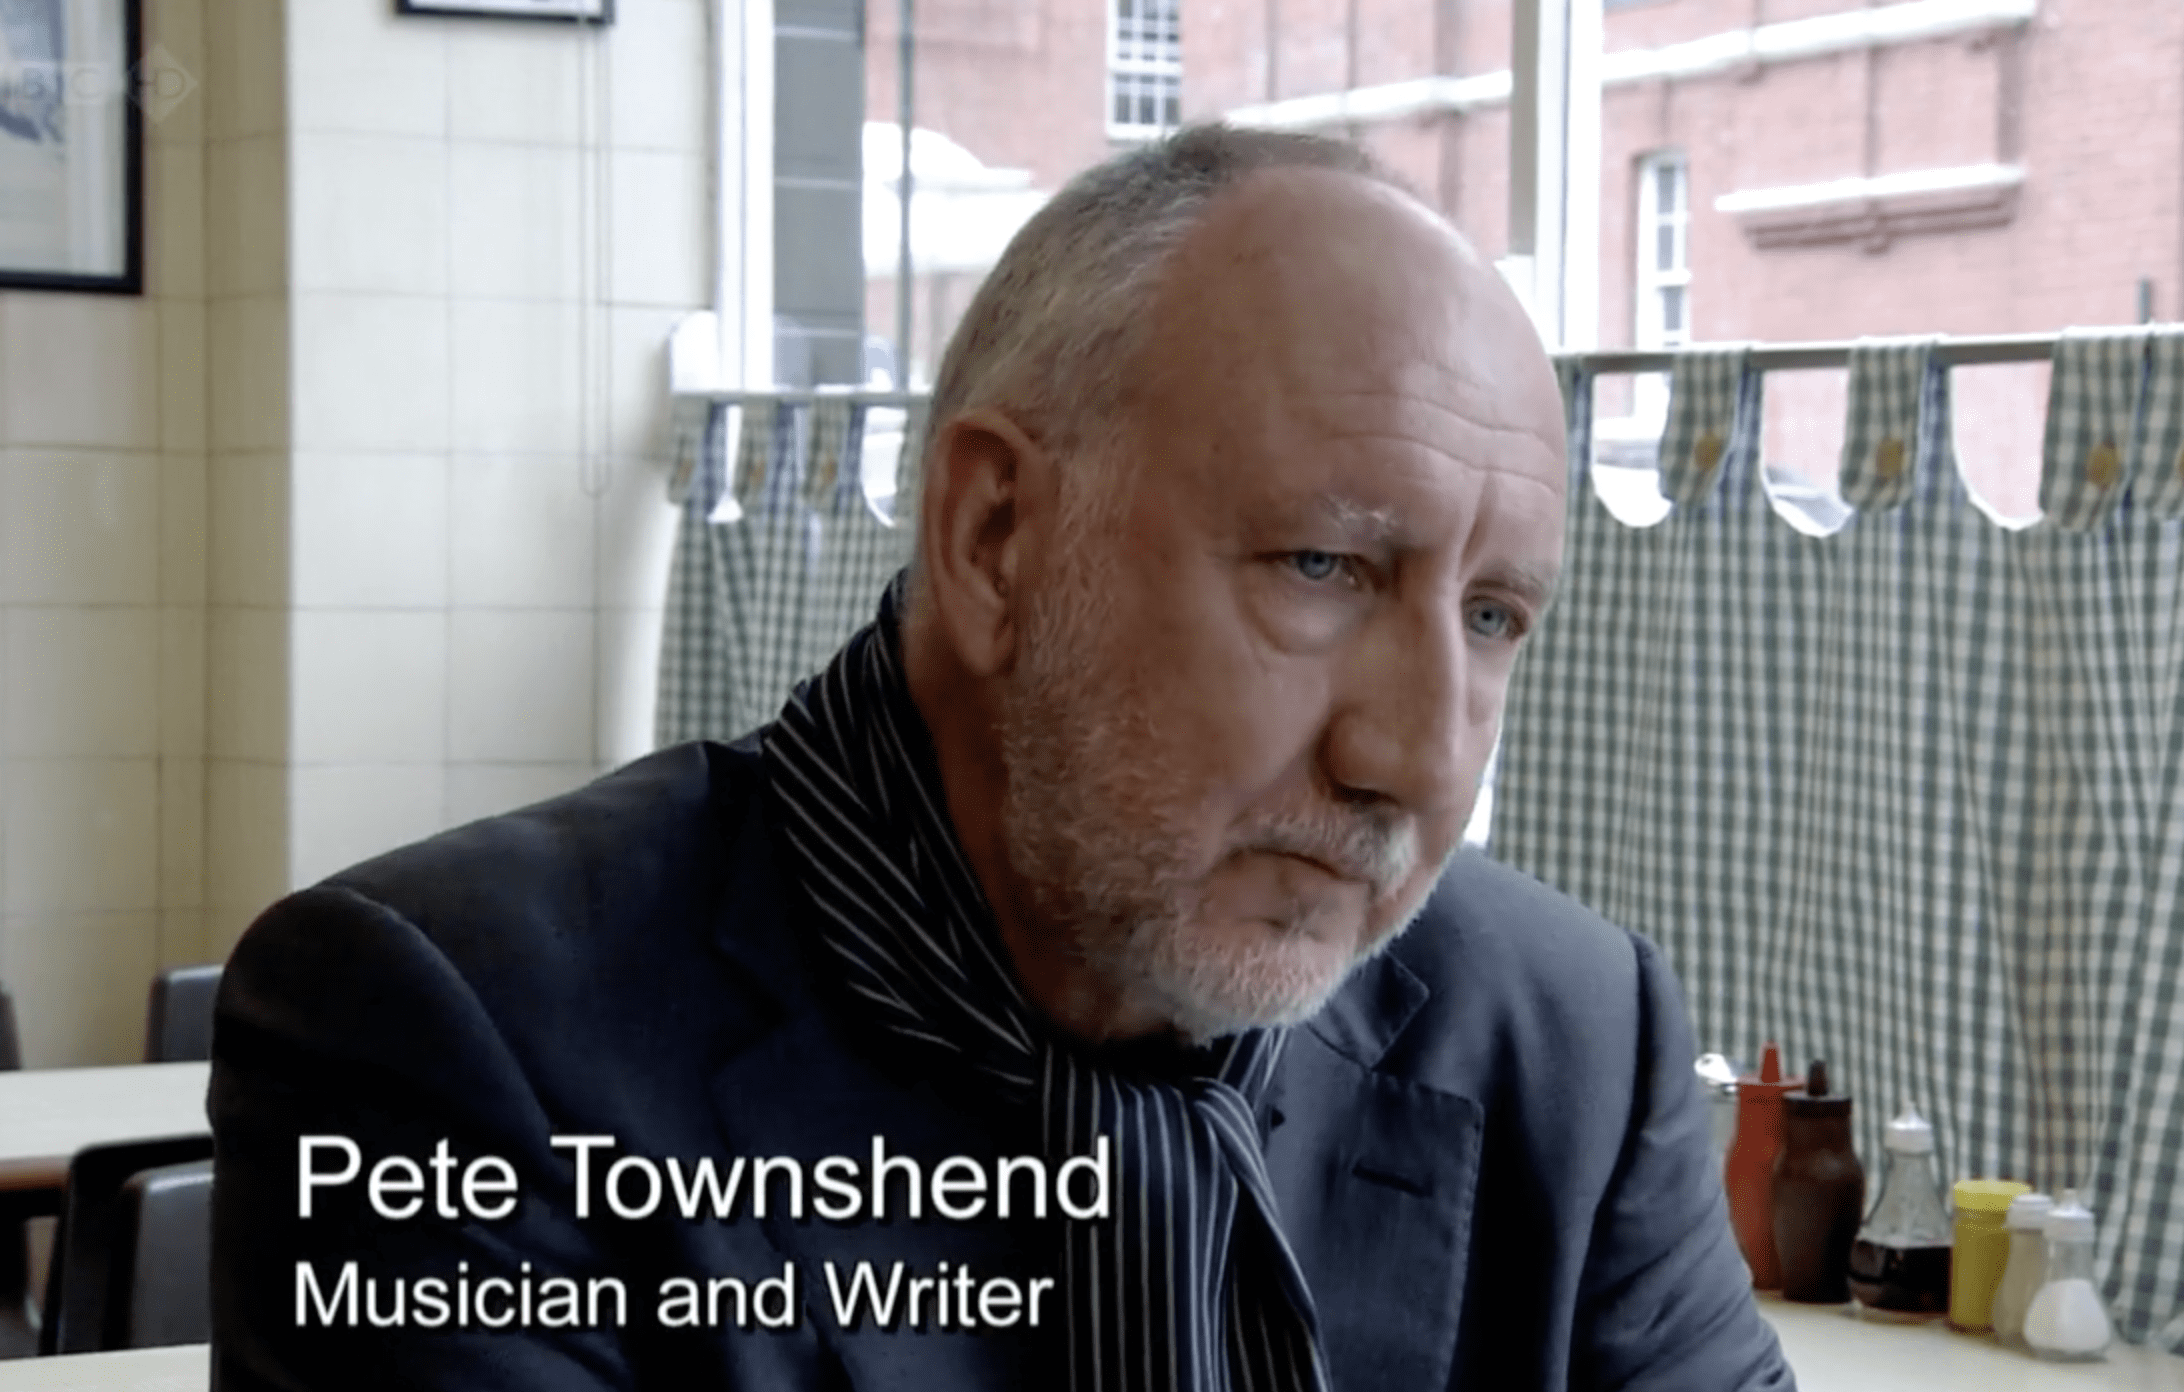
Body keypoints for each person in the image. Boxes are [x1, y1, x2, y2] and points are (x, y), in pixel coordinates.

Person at [211, 125, 1794, 1391]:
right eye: (1322, 567)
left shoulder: (1573, 1043)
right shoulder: (450, 1038)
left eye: (1495, 614)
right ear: (997, 535)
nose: (1422, 757)